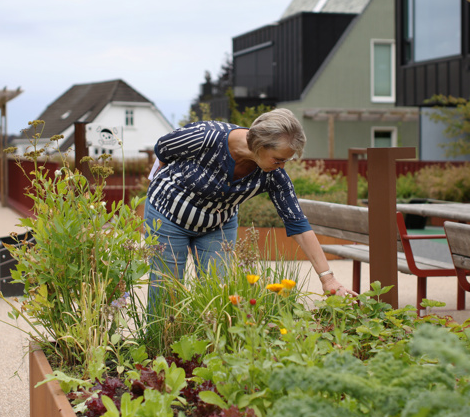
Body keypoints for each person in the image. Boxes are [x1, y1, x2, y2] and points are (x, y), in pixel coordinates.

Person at [143, 108, 357, 308]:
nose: (282, 166)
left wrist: (328, 278)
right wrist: (165, 185)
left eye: (287, 160)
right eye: (278, 159)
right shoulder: (206, 136)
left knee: (218, 296)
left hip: (217, 225)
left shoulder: (273, 175)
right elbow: (163, 148)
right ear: (259, 145)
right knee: (166, 292)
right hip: (168, 216)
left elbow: (298, 223)